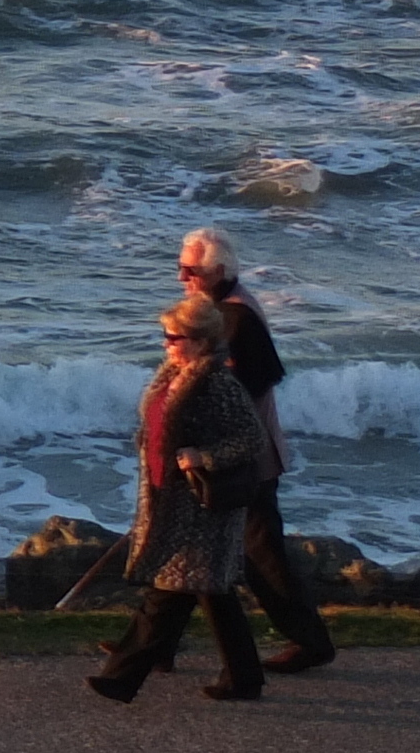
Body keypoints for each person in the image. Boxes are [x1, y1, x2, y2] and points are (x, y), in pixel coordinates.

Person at [88, 293, 269, 703]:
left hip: (202, 508)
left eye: (175, 337)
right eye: (165, 336)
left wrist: (204, 456)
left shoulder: (218, 384)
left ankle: (121, 677)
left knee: (168, 593)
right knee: (212, 593)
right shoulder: (173, 373)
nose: (166, 343)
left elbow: (252, 439)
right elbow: (158, 423)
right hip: (170, 499)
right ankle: (244, 678)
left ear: (200, 341)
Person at [182, 227, 336, 673]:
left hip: (248, 456)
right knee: (200, 549)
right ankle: (150, 647)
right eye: (181, 269)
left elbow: (264, 376)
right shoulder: (219, 310)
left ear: (217, 270)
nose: (182, 278)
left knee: (261, 554)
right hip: (231, 451)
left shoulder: (238, 316)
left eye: (190, 270)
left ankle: (311, 642)